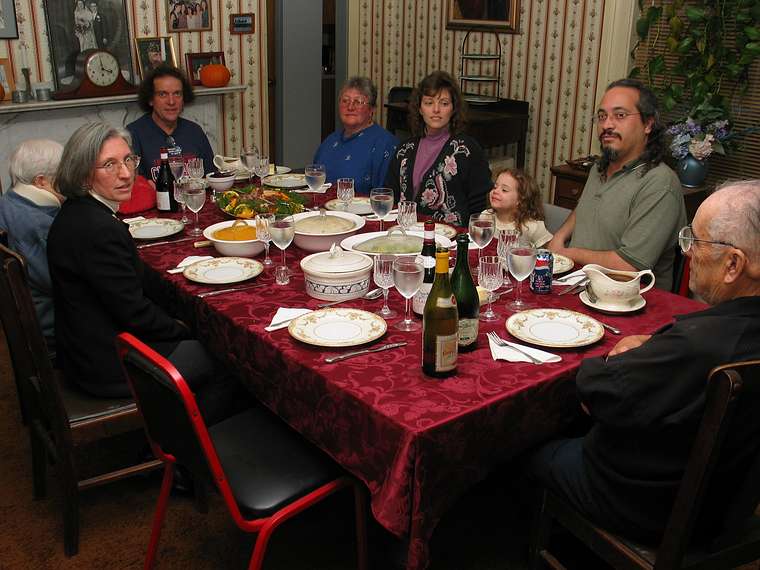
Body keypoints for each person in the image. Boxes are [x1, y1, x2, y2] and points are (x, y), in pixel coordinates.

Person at [530, 179, 760, 542]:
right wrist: (654, 343)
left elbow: (598, 393)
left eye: (695, 242)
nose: (687, 253)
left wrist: (618, 357)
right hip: (729, 505)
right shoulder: (729, 331)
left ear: (733, 264)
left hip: (650, 506)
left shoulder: (699, 345)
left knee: (529, 447)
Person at [47, 122, 234, 422]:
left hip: (83, 349)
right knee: (228, 361)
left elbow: (137, 284)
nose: (125, 173)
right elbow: (134, 313)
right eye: (109, 165)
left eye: (128, 160)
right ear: (83, 175)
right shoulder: (97, 229)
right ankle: (190, 453)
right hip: (107, 364)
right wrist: (188, 330)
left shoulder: (79, 212)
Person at [547, 78, 686, 290]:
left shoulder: (659, 184)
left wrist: (567, 254)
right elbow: (585, 208)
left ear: (648, 124)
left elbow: (629, 266)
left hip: (628, 303)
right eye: (602, 117)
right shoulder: (599, 168)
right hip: (577, 286)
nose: (607, 125)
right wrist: (560, 236)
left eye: (620, 116)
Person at [384, 70, 492, 226]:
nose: (436, 110)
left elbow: (480, 208)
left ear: (453, 108)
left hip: (449, 240)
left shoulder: (466, 149)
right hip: (406, 235)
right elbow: (390, 198)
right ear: (420, 109)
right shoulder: (404, 150)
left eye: (444, 103)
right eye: (429, 103)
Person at [0, 139, 64, 350]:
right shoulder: (38, 224)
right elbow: (61, 285)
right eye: (62, 176)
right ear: (41, 181)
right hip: (49, 331)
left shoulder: (9, 201)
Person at [313, 76, 398, 196]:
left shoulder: (385, 144)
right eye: (345, 101)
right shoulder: (330, 141)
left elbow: (384, 198)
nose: (350, 107)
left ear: (371, 109)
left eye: (358, 102)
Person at [127, 64, 214, 180]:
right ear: (150, 99)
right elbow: (133, 188)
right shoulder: (133, 135)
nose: (171, 102)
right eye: (163, 94)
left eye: (177, 93)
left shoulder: (195, 132)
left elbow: (212, 177)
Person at [485, 167, 552, 247]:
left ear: (520, 199)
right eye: (495, 187)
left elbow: (551, 252)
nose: (495, 191)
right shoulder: (485, 216)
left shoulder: (532, 226)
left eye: (504, 190)